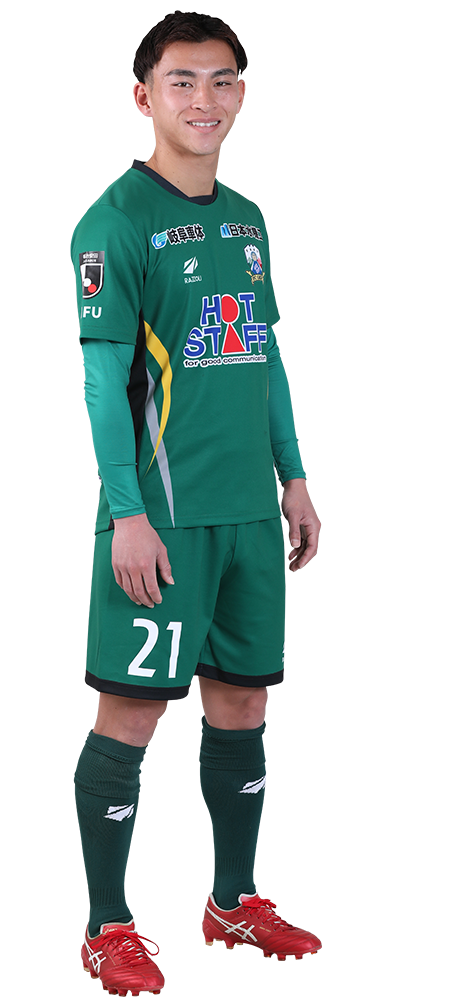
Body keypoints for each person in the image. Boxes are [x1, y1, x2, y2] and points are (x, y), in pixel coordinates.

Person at [71, 11, 322, 996]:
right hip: (161, 520)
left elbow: (265, 355)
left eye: (221, 81)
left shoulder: (248, 219)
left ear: (242, 94)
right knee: (131, 714)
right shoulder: (113, 223)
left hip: (250, 516)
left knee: (244, 703)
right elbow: (104, 386)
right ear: (144, 96)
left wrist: (293, 476)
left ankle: (232, 900)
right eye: (181, 81)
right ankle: (106, 925)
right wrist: (127, 512)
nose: (203, 99)